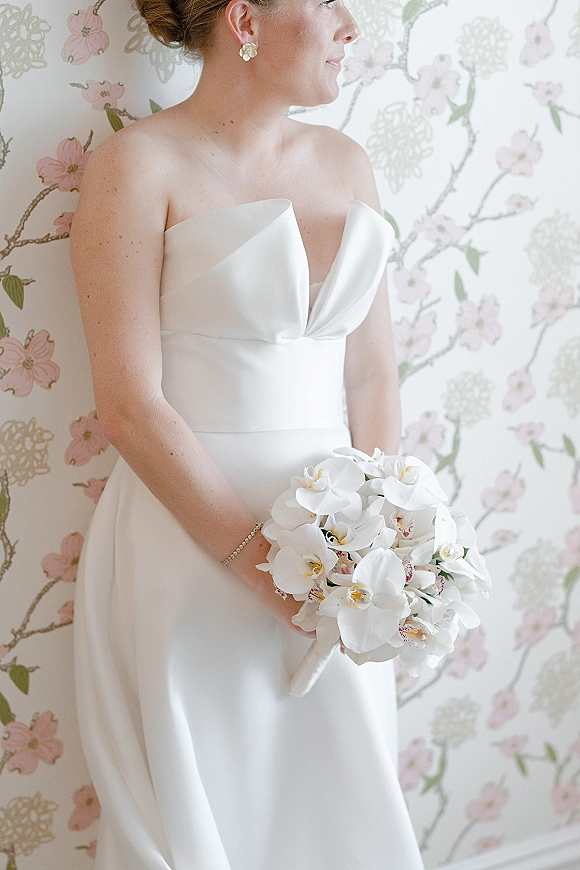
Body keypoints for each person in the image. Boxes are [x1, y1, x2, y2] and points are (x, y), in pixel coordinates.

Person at [70, 0, 426, 867]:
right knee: (212, 800)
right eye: (328, 2)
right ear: (245, 20)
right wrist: (262, 567)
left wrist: (380, 534)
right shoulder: (137, 164)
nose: (351, 27)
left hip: (341, 549)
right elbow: (128, 406)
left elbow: (373, 372)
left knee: (343, 792)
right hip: (189, 538)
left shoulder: (348, 163)